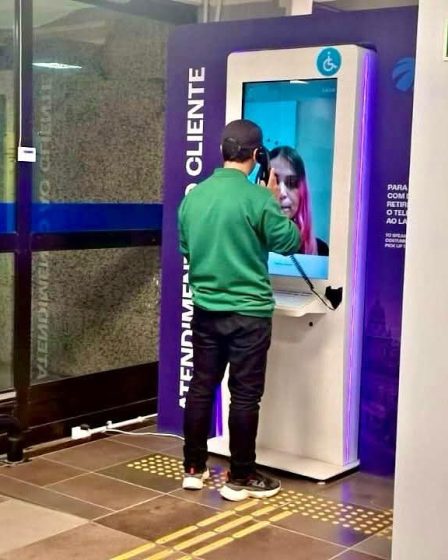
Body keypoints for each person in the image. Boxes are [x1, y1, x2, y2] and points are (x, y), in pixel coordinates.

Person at [178, 119, 300, 501]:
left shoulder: (194, 197)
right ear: (257, 155)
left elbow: (187, 248)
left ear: (222, 152)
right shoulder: (258, 198)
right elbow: (290, 241)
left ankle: (193, 468)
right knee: (245, 396)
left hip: (205, 311)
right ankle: (241, 476)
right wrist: (271, 200)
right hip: (249, 315)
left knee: (202, 387)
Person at [270, 146, 329, 256]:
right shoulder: (249, 245)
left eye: (292, 182)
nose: (282, 193)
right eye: (275, 182)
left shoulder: (321, 251)